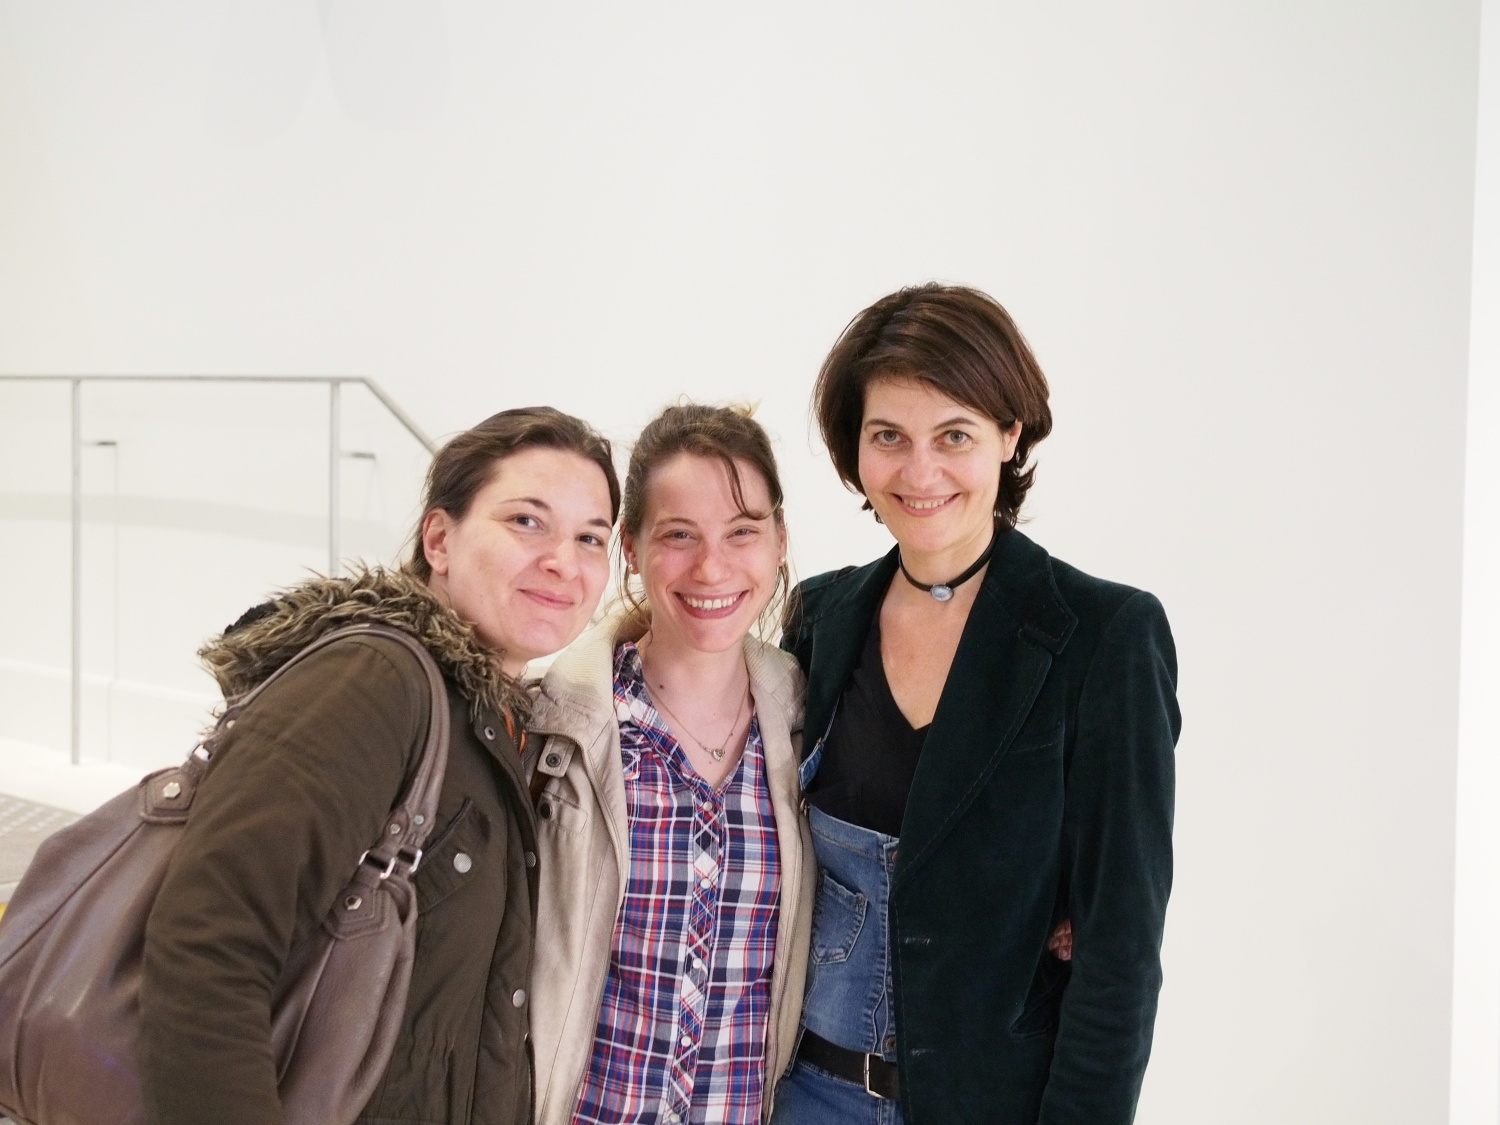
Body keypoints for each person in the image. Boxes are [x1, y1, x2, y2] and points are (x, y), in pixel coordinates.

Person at [138, 406, 621, 1125]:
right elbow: (207, 952)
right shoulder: (373, 682)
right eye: (526, 521)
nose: (563, 561)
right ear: (440, 539)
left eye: (590, 538)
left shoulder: (499, 722)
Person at [772, 284, 1181, 1125]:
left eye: (953, 435)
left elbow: (1119, 959)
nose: (919, 472)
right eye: (888, 436)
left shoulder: (1104, 636)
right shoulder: (819, 617)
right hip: (807, 1095)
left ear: (1010, 434)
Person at [527, 403, 815, 1125]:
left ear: (780, 541)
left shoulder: (808, 729)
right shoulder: (557, 733)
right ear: (630, 545)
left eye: (742, 531)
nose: (711, 567)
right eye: (679, 534)